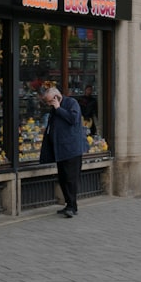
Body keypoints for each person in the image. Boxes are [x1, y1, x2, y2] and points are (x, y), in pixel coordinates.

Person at [39, 86, 86, 217]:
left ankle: (72, 206)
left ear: (56, 97)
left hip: (72, 149)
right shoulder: (54, 109)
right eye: (47, 102)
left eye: (49, 101)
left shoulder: (71, 103)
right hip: (60, 149)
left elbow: (73, 119)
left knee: (71, 179)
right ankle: (69, 204)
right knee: (63, 178)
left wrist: (59, 108)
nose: (49, 104)